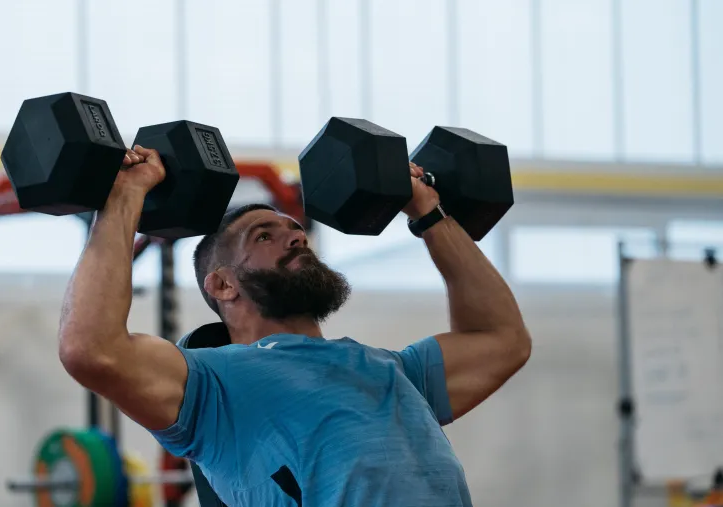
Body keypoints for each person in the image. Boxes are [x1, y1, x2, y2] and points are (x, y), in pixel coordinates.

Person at [58, 146, 532, 506]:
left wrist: (429, 214)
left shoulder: (395, 370)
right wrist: (124, 197)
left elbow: (501, 338)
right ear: (222, 284)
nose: (294, 235)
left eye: (294, 230)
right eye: (264, 235)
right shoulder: (210, 385)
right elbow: (91, 347)